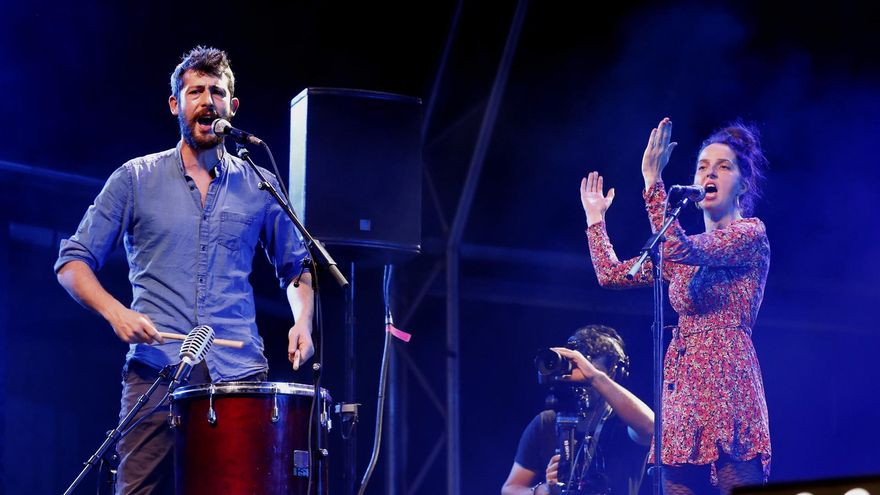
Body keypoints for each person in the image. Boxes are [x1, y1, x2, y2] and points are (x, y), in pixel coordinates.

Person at [54, 46, 315, 494]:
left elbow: (297, 267)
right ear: (176, 104)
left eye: (217, 92)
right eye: (195, 91)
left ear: (231, 108)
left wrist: (302, 322)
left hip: (238, 376)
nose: (206, 100)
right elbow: (72, 263)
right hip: (157, 373)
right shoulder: (135, 178)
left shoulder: (259, 184)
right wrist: (117, 313)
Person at [580, 117, 771, 495]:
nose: (709, 173)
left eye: (723, 166)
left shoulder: (750, 234)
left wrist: (653, 183)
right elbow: (612, 275)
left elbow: (681, 249)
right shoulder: (679, 247)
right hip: (682, 394)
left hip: (730, 386)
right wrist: (595, 220)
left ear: (742, 184)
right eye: (702, 166)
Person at [502, 325, 654, 495]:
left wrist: (594, 376)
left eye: (590, 374)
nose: (584, 382)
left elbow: (652, 427)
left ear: (614, 375)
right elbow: (510, 489)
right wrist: (543, 491)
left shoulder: (624, 421)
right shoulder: (547, 422)